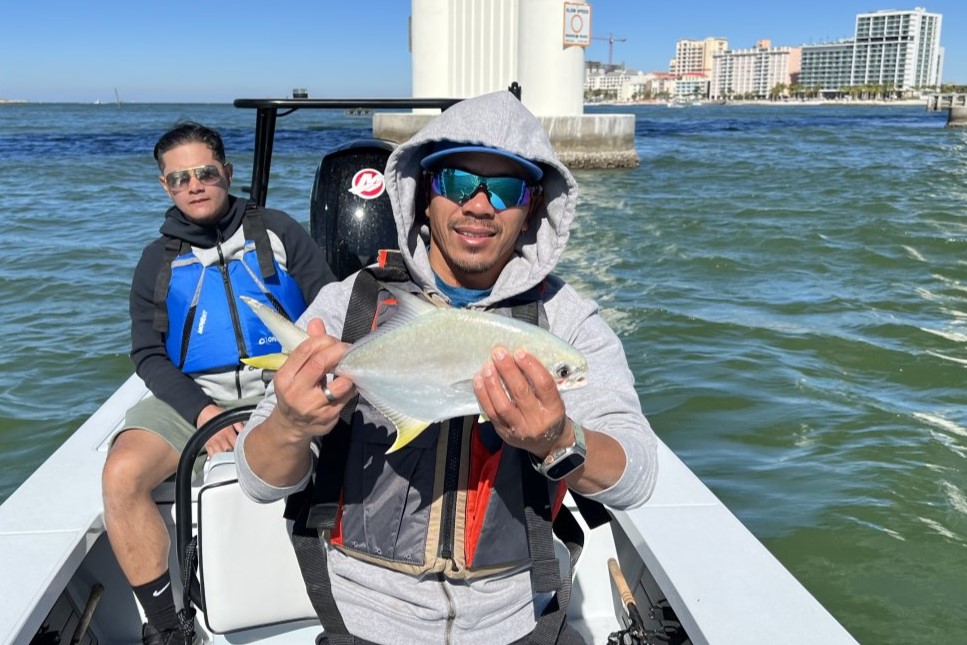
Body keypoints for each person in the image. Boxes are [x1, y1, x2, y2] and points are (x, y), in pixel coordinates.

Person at [235, 90, 659, 644]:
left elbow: (638, 475)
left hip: (516, 620)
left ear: (532, 205)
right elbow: (258, 480)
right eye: (458, 183)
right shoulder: (349, 307)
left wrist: (560, 439)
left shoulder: (565, 320)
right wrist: (290, 425)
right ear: (423, 196)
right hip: (362, 620)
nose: (479, 206)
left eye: (506, 188)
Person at [101, 121, 333, 645]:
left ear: (226, 173)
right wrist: (202, 415)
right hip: (194, 399)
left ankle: (347, 602)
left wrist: (303, 388)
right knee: (121, 475)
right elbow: (148, 355)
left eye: (206, 172)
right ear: (165, 187)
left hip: (285, 385)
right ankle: (167, 627)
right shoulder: (154, 262)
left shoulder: (279, 230)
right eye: (179, 178)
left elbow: (332, 306)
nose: (195, 185)